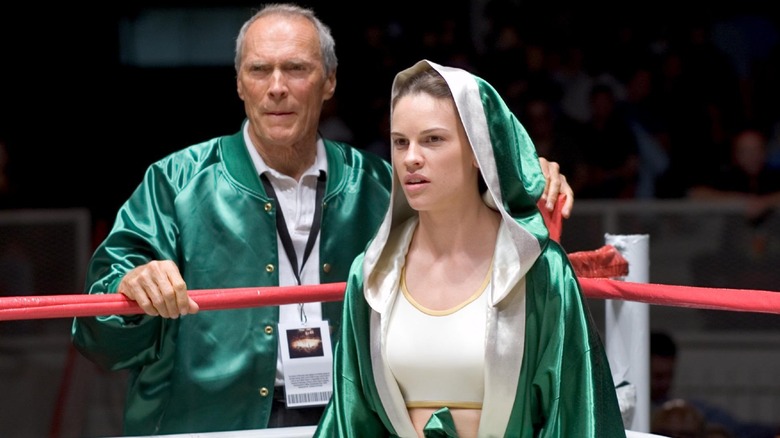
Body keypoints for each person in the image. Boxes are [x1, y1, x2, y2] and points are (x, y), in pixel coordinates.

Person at [70, 4, 575, 436]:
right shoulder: (176, 182)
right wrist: (132, 288)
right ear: (239, 85)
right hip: (212, 422)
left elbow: (475, 217)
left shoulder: (382, 185)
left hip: (351, 419)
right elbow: (98, 336)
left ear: (329, 81)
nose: (276, 88)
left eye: (296, 69)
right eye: (259, 71)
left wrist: (530, 178)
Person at [313, 60, 624, 437]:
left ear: (479, 149)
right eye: (400, 142)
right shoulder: (373, 272)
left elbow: (576, 414)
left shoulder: (537, 268)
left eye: (433, 139)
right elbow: (352, 419)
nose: (411, 157)